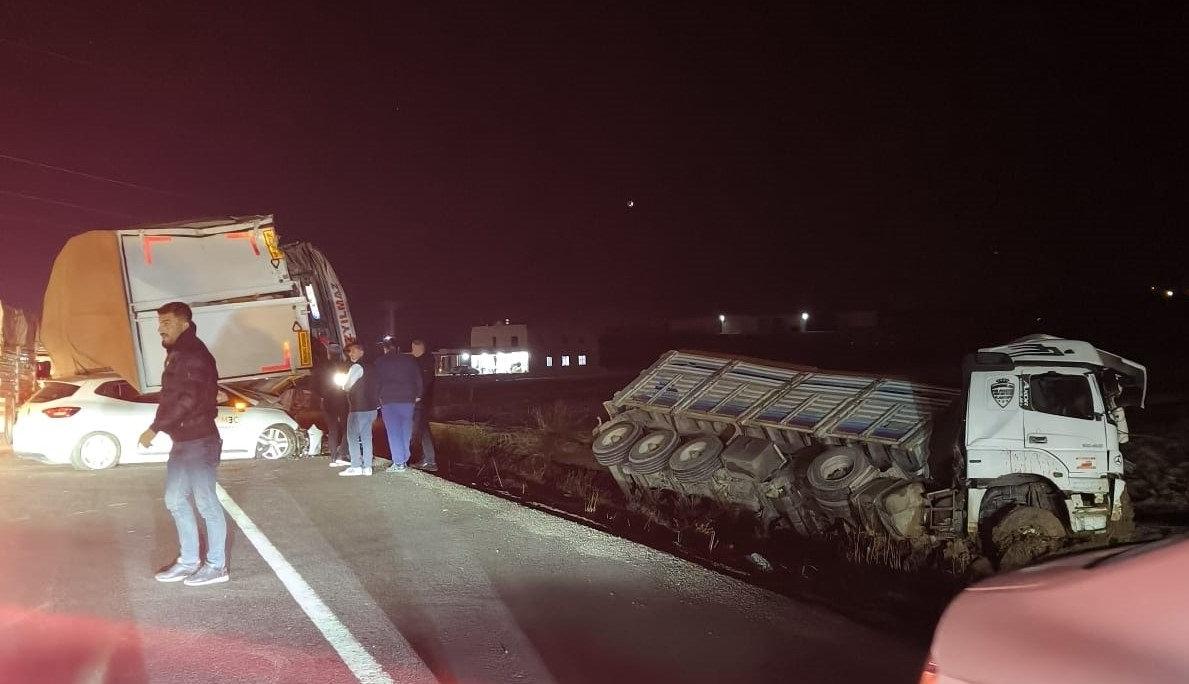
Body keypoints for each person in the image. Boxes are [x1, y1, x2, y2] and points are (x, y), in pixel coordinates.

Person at [140, 301, 229, 587]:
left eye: (166, 322)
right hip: (182, 441)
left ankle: (216, 566)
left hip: (200, 440)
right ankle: (189, 561)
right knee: (175, 499)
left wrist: (155, 428)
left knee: (206, 503)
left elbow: (188, 399)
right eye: (160, 323)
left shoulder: (194, 354)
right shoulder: (178, 353)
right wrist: (161, 425)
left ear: (184, 324)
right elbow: (170, 397)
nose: (160, 329)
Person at [373, 339, 423, 474]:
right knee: (406, 430)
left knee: (393, 431)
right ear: (398, 348)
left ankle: (399, 462)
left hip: (389, 400)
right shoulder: (410, 360)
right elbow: (418, 378)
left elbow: (376, 383)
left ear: (385, 349)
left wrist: (377, 400)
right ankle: (404, 459)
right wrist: (418, 394)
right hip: (408, 399)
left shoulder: (380, 362)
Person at [338, 342, 379, 476]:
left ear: (361, 352)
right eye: (350, 351)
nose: (351, 354)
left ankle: (356, 466)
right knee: (367, 437)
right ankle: (367, 467)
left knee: (352, 436)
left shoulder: (356, 367)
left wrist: (343, 385)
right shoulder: (373, 367)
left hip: (358, 408)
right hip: (372, 408)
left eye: (353, 351)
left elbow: (346, 385)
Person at [408, 339, 438, 472]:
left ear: (419, 348)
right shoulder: (424, 361)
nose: (411, 351)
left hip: (421, 402)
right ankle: (428, 459)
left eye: (413, 348)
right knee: (423, 429)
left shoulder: (424, 363)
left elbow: (424, 382)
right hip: (423, 401)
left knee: (420, 430)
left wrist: (417, 396)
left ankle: (429, 460)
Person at [321, 345, 351, 467]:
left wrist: (323, 395)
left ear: (328, 353)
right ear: (340, 354)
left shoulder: (323, 367)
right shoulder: (345, 366)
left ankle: (333, 456)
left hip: (328, 401)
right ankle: (342, 453)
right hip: (343, 400)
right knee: (347, 428)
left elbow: (316, 385)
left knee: (332, 429)